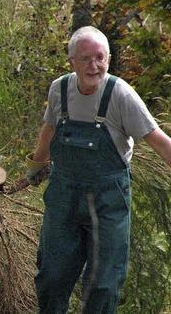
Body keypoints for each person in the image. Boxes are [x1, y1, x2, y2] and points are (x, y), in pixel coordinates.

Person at [25, 26, 171, 313]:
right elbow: (50, 128)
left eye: (100, 58)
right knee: (52, 279)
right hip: (63, 201)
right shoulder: (60, 89)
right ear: (72, 62)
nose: (94, 66)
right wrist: (37, 164)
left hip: (108, 204)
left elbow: (160, 141)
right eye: (86, 59)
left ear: (109, 59)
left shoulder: (121, 95)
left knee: (103, 286)